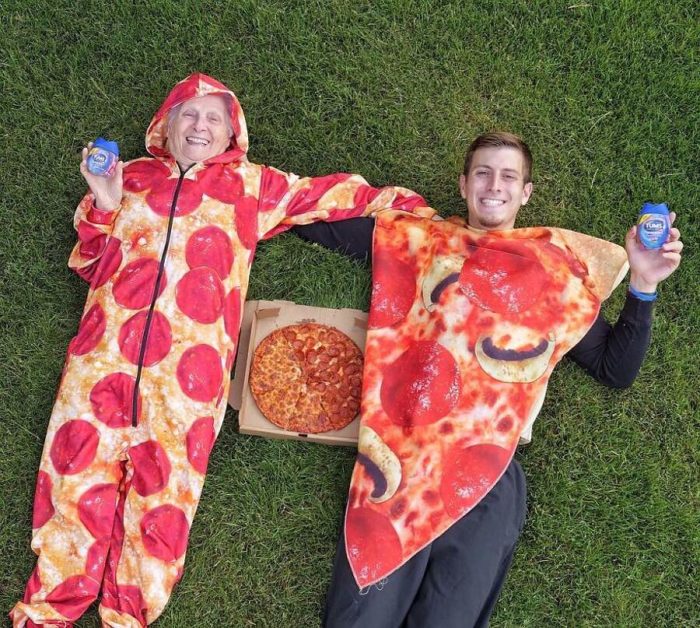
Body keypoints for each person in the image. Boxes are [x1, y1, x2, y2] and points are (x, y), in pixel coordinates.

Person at [9, 73, 426, 628]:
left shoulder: (253, 187)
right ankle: (46, 611)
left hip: (188, 382)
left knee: (164, 502)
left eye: (213, 118)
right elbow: (89, 264)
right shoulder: (129, 177)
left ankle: (127, 617)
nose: (199, 126)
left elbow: (331, 196)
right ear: (167, 123)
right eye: (189, 113)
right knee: (74, 478)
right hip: (99, 362)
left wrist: (412, 209)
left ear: (232, 132)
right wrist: (105, 202)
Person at [293, 131, 683, 627]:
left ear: (526, 193)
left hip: (487, 471)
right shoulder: (420, 241)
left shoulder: (554, 276)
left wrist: (644, 286)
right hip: (400, 458)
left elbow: (614, 369)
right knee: (358, 619)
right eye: (482, 172)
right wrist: (253, 202)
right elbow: (324, 222)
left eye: (508, 176)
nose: (494, 185)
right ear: (463, 184)